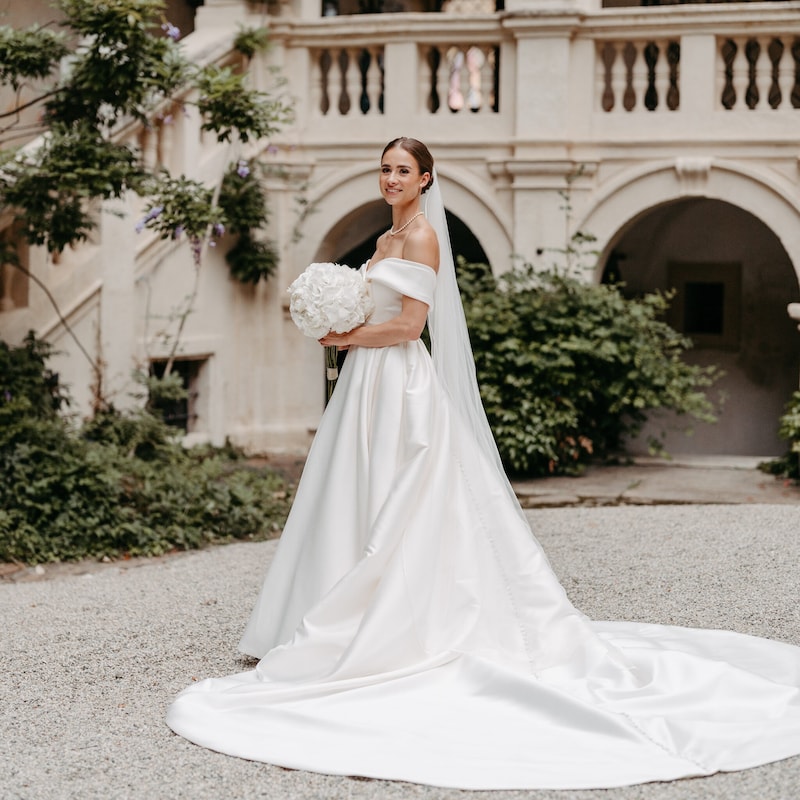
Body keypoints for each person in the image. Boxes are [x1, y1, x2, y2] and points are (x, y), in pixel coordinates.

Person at [167, 138, 800, 790]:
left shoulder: (421, 240)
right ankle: (324, 609)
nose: (390, 178)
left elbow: (412, 327)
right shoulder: (385, 242)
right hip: (363, 386)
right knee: (351, 492)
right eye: (384, 169)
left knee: (404, 496)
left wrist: (342, 336)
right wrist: (337, 319)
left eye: (402, 171)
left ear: (425, 179)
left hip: (399, 384)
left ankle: (401, 622)